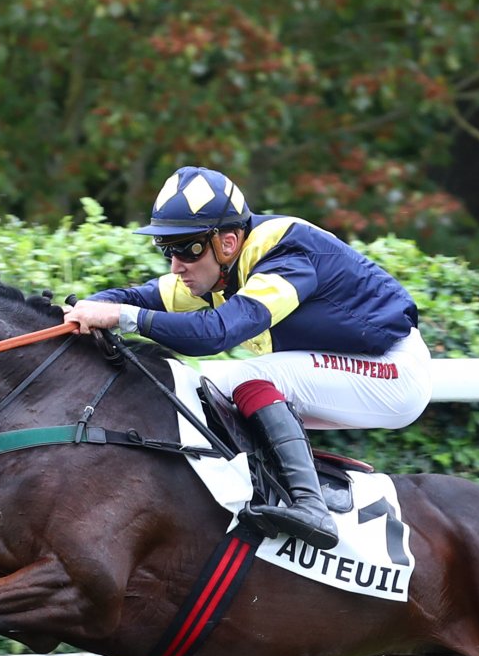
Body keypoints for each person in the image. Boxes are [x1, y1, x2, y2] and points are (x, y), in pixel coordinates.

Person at [64, 166, 432, 551]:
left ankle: (311, 506)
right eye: (167, 249)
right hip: (356, 365)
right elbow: (137, 298)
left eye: (186, 248)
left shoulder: (287, 255)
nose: (176, 265)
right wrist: (78, 311)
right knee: (205, 392)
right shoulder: (220, 269)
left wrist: (123, 318)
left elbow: (217, 333)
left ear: (227, 242)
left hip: (391, 371)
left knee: (249, 379)